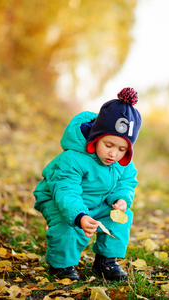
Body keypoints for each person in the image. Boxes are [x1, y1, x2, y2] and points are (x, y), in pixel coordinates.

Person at [33, 87, 142, 281]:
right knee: (68, 226)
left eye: (122, 149)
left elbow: (126, 182)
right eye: (108, 145)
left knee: (118, 218)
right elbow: (66, 190)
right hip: (58, 198)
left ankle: (105, 262)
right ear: (96, 136)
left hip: (96, 200)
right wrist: (79, 215)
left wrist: (122, 199)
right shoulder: (73, 158)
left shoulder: (122, 162)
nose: (113, 154)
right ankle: (62, 266)